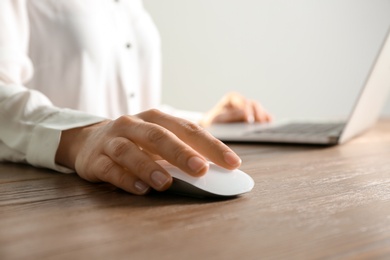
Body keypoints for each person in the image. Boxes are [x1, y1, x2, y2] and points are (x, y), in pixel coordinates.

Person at [0, 0, 271, 195]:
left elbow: (128, 112)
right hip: (48, 193)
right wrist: (77, 137)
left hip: (124, 185)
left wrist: (203, 120)